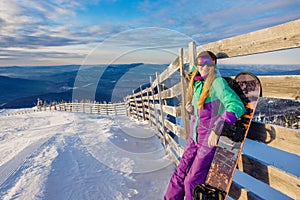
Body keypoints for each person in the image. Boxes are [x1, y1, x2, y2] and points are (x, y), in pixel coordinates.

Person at [164, 51, 246, 200]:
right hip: (193, 138)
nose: (204, 66)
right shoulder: (198, 85)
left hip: (207, 142)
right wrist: (192, 112)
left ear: (214, 64)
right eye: (200, 62)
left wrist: (218, 127)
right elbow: (203, 115)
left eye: (209, 62)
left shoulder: (217, 83)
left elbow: (236, 105)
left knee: (191, 181)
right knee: (179, 173)